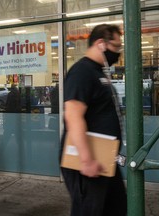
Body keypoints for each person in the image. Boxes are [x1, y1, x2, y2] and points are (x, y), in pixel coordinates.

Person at [61, 24, 127, 216]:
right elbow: (73, 116)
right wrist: (87, 160)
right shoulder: (82, 72)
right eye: (116, 47)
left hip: (105, 157)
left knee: (116, 207)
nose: (118, 53)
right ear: (100, 44)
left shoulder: (99, 73)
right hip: (87, 162)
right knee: (90, 211)